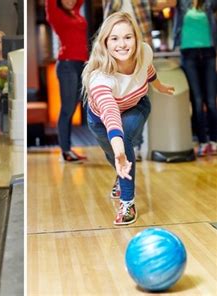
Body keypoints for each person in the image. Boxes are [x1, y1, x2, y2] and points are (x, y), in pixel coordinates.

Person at [82, 12, 175, 225]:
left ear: (136, 38)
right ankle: (119, 170)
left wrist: (159, 87)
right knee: (114, 152)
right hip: (100, 120)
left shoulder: (144, 51)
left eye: (127, 37)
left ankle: (127, 202)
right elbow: (111, 115)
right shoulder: (100, 78)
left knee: (123, 146)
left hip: (136, 107)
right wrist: (118, 152)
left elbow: (147, 69)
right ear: (105, 42)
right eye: (114, 38)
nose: (122, 44)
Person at [102, 0, 177, 161]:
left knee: (139, 100)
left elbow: (162, 4)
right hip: (119, 55)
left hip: (139, 49)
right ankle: (121, 145)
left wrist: (159, 85)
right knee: (119, 103)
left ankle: (134, 145)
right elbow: (107, 22)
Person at [46, 0, 89, 162]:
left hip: (81, 65)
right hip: (67, 65)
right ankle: (65, 150)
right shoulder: (56, 14)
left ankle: (68, 149)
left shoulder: (76, 12)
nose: (70, 1)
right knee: (67, 109)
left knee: (72, 109)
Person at [173, 0, 217, 156]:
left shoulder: (209, 4)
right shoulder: (181, 4)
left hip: (209, 54)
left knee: (211, 102)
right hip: (189, 55)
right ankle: (202, 141)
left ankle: (214, 140)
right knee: (197, 101)